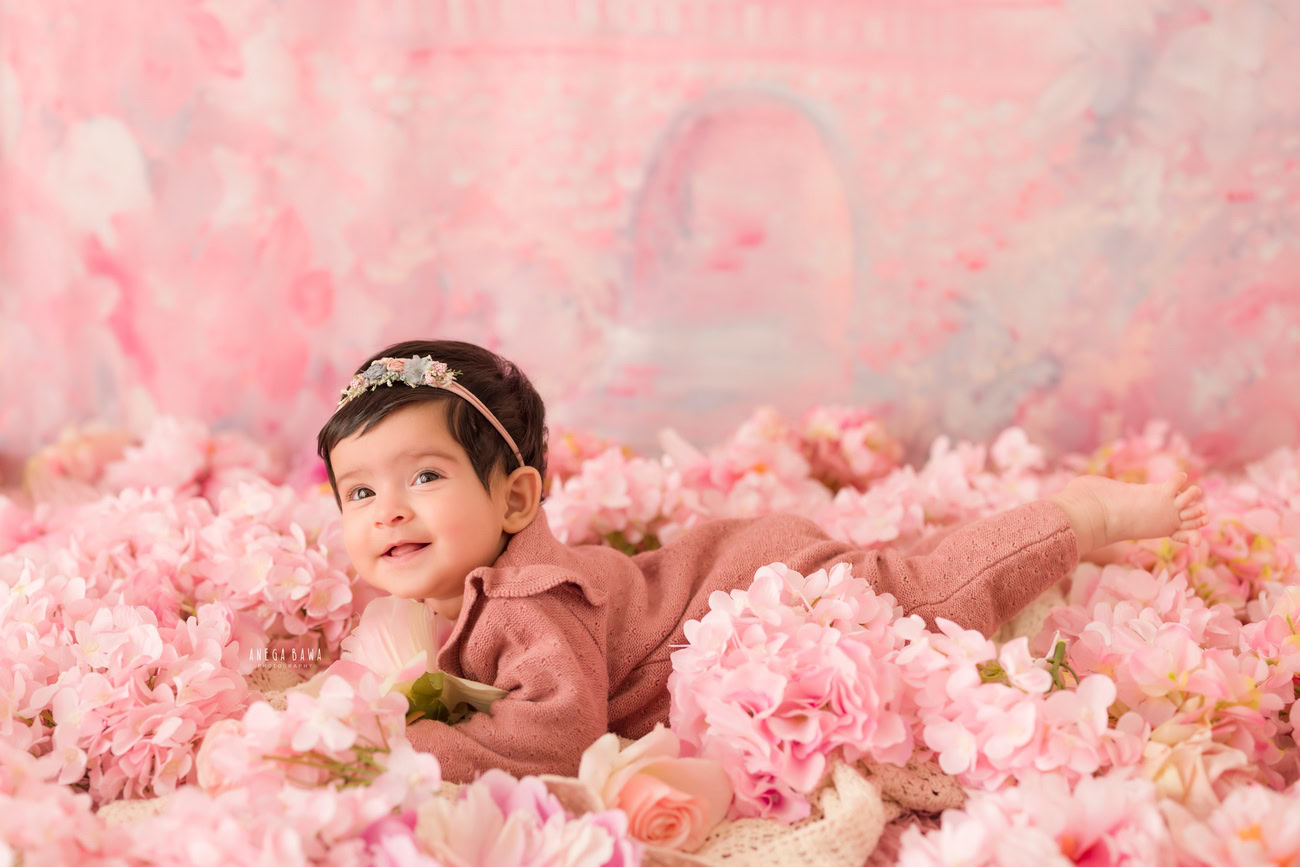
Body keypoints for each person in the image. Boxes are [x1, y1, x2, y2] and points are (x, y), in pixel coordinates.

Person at [317, 339, 1208, 783]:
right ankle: (1058, 528)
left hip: (756, 598)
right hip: (717, 569)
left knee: (929, 590)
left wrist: (407, 737)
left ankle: (1080, 514)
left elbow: (554, 735)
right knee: (908, 563)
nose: (386, 510)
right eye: (359, 493)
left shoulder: (526, 604)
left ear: (515, 499)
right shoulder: (461, 596)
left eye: (423, 476)